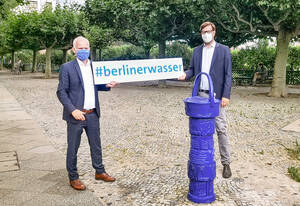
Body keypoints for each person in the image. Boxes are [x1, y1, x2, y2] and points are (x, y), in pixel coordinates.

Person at [57, 36, 118, 190]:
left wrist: (108, 85)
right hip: (76, 115)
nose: (84, 51)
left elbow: (97, 86)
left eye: (86, 48)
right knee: (73, 147)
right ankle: (73, 177)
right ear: (74, 50)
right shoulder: (67, 68)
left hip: (92, 113)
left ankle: (99, 171)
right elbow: (61, 92)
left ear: (89, 48)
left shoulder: (95, 67)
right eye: (81, 48)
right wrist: (73, 110)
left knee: (96, 145)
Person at [178, 22, 232, 178]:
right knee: (201, 130)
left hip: (216, 98)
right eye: (203, 32)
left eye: (208, 31)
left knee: (221, 128)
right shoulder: (196, 51)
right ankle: (202, 158)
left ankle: (226, 163)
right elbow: (192, 70)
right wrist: (185, 75)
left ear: (214, 32)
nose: (206, 34)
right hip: (200, 96)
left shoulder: (224, 50)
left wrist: (226, 95)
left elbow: (228, 74)